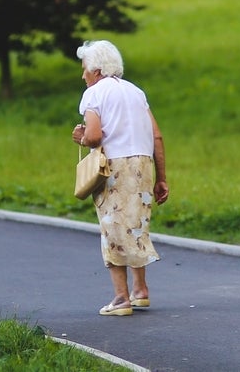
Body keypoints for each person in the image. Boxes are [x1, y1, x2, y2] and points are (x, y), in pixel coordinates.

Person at [71, 40, 169, 316]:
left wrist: (81, 137)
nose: (83, 76)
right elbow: (157, 136)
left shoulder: (93, 94)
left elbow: (93, 136)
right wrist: (162, 177)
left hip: (114, 167)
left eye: (84, 70)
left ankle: (120, 299)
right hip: (142, 164)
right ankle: (140, 291)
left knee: (112, 228)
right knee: (135, 225)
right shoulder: (136, 92)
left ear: (97, 70)